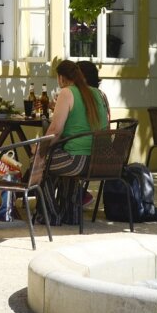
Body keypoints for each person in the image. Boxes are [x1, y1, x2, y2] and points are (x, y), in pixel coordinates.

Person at [37, 58, 109, 218]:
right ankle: (70, 214)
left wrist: (39, 150)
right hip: (101, 160)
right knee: (57, 160)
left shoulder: (67, 92)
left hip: (77, 160)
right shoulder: (99, 94)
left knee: (40, 164)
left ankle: (50, 216)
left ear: (61, 78)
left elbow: (55, 130)